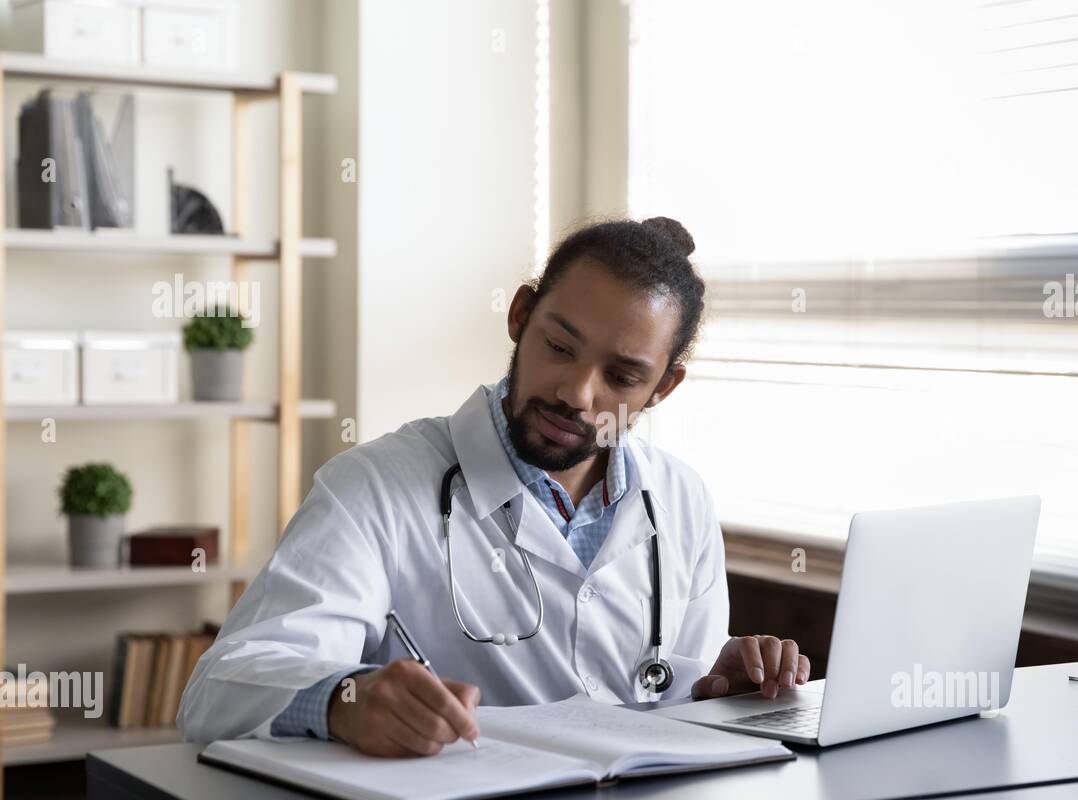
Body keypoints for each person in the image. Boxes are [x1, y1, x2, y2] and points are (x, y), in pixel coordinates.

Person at [178, 217, 810, 756]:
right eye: (560, 346)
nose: (577, 393)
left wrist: (717, 687)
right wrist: (344, 698)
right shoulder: (372, 487)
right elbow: (220, 689)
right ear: (520, 315)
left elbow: (672, 693)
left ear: (663, 388)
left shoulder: (681, 499)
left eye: (621, 376)